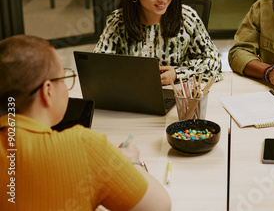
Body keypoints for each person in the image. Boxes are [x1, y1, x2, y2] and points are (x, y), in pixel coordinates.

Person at [0, 35, 171, 210]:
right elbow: (159, 206)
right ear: (47, 91)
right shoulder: (84, 145)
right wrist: (130, 164)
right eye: (62, 79)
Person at [95, 0, 222, 85]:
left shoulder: (186, 18)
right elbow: (98, 66)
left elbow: (214, 61)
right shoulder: (118, 22)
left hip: (178, 97)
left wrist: (177, 74)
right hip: (133, 98)